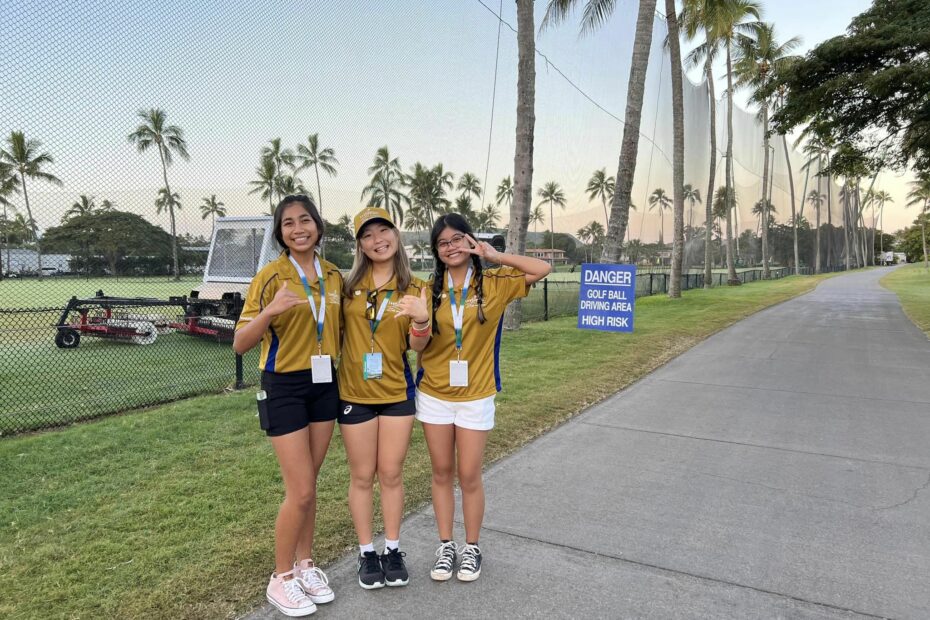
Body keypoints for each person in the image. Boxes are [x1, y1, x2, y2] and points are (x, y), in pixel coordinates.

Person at [416, 213, 551, 582]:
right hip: (434, 394)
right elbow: (417, 342)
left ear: (471, 241)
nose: (451, 247)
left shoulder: (495, 282)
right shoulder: (427, 290)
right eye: (443, 243)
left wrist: (497, 256)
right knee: (442, 472)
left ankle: (471, 547)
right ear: (436, 251)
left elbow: (542, 268)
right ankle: (447, 546)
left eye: (458, 239)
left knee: (469, 474)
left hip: (476, 395)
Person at [233, 195, 341, 617]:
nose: (299, 228)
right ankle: (280, 579)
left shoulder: (333, 276)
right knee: (299, 490)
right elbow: (241, 343)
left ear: (318, 225)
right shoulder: (270, 276)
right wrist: (271, 311)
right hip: (285, 386)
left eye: (306, 220)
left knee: (309, 484)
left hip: (325, 383)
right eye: (289, 223)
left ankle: (305, 565)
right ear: (280, 232)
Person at [338, 206, 431, 589]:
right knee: (362, 475)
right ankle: (366, 554)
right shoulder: (346, 287)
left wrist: (423, 320)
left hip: (396, 391)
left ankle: (392, 549)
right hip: (354, 394)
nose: (378, 240)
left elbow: (417, 347)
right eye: (368, 235)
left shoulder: (416, 287)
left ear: (396, 234)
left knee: (391, 473)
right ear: (360, 244)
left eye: (384, 231)